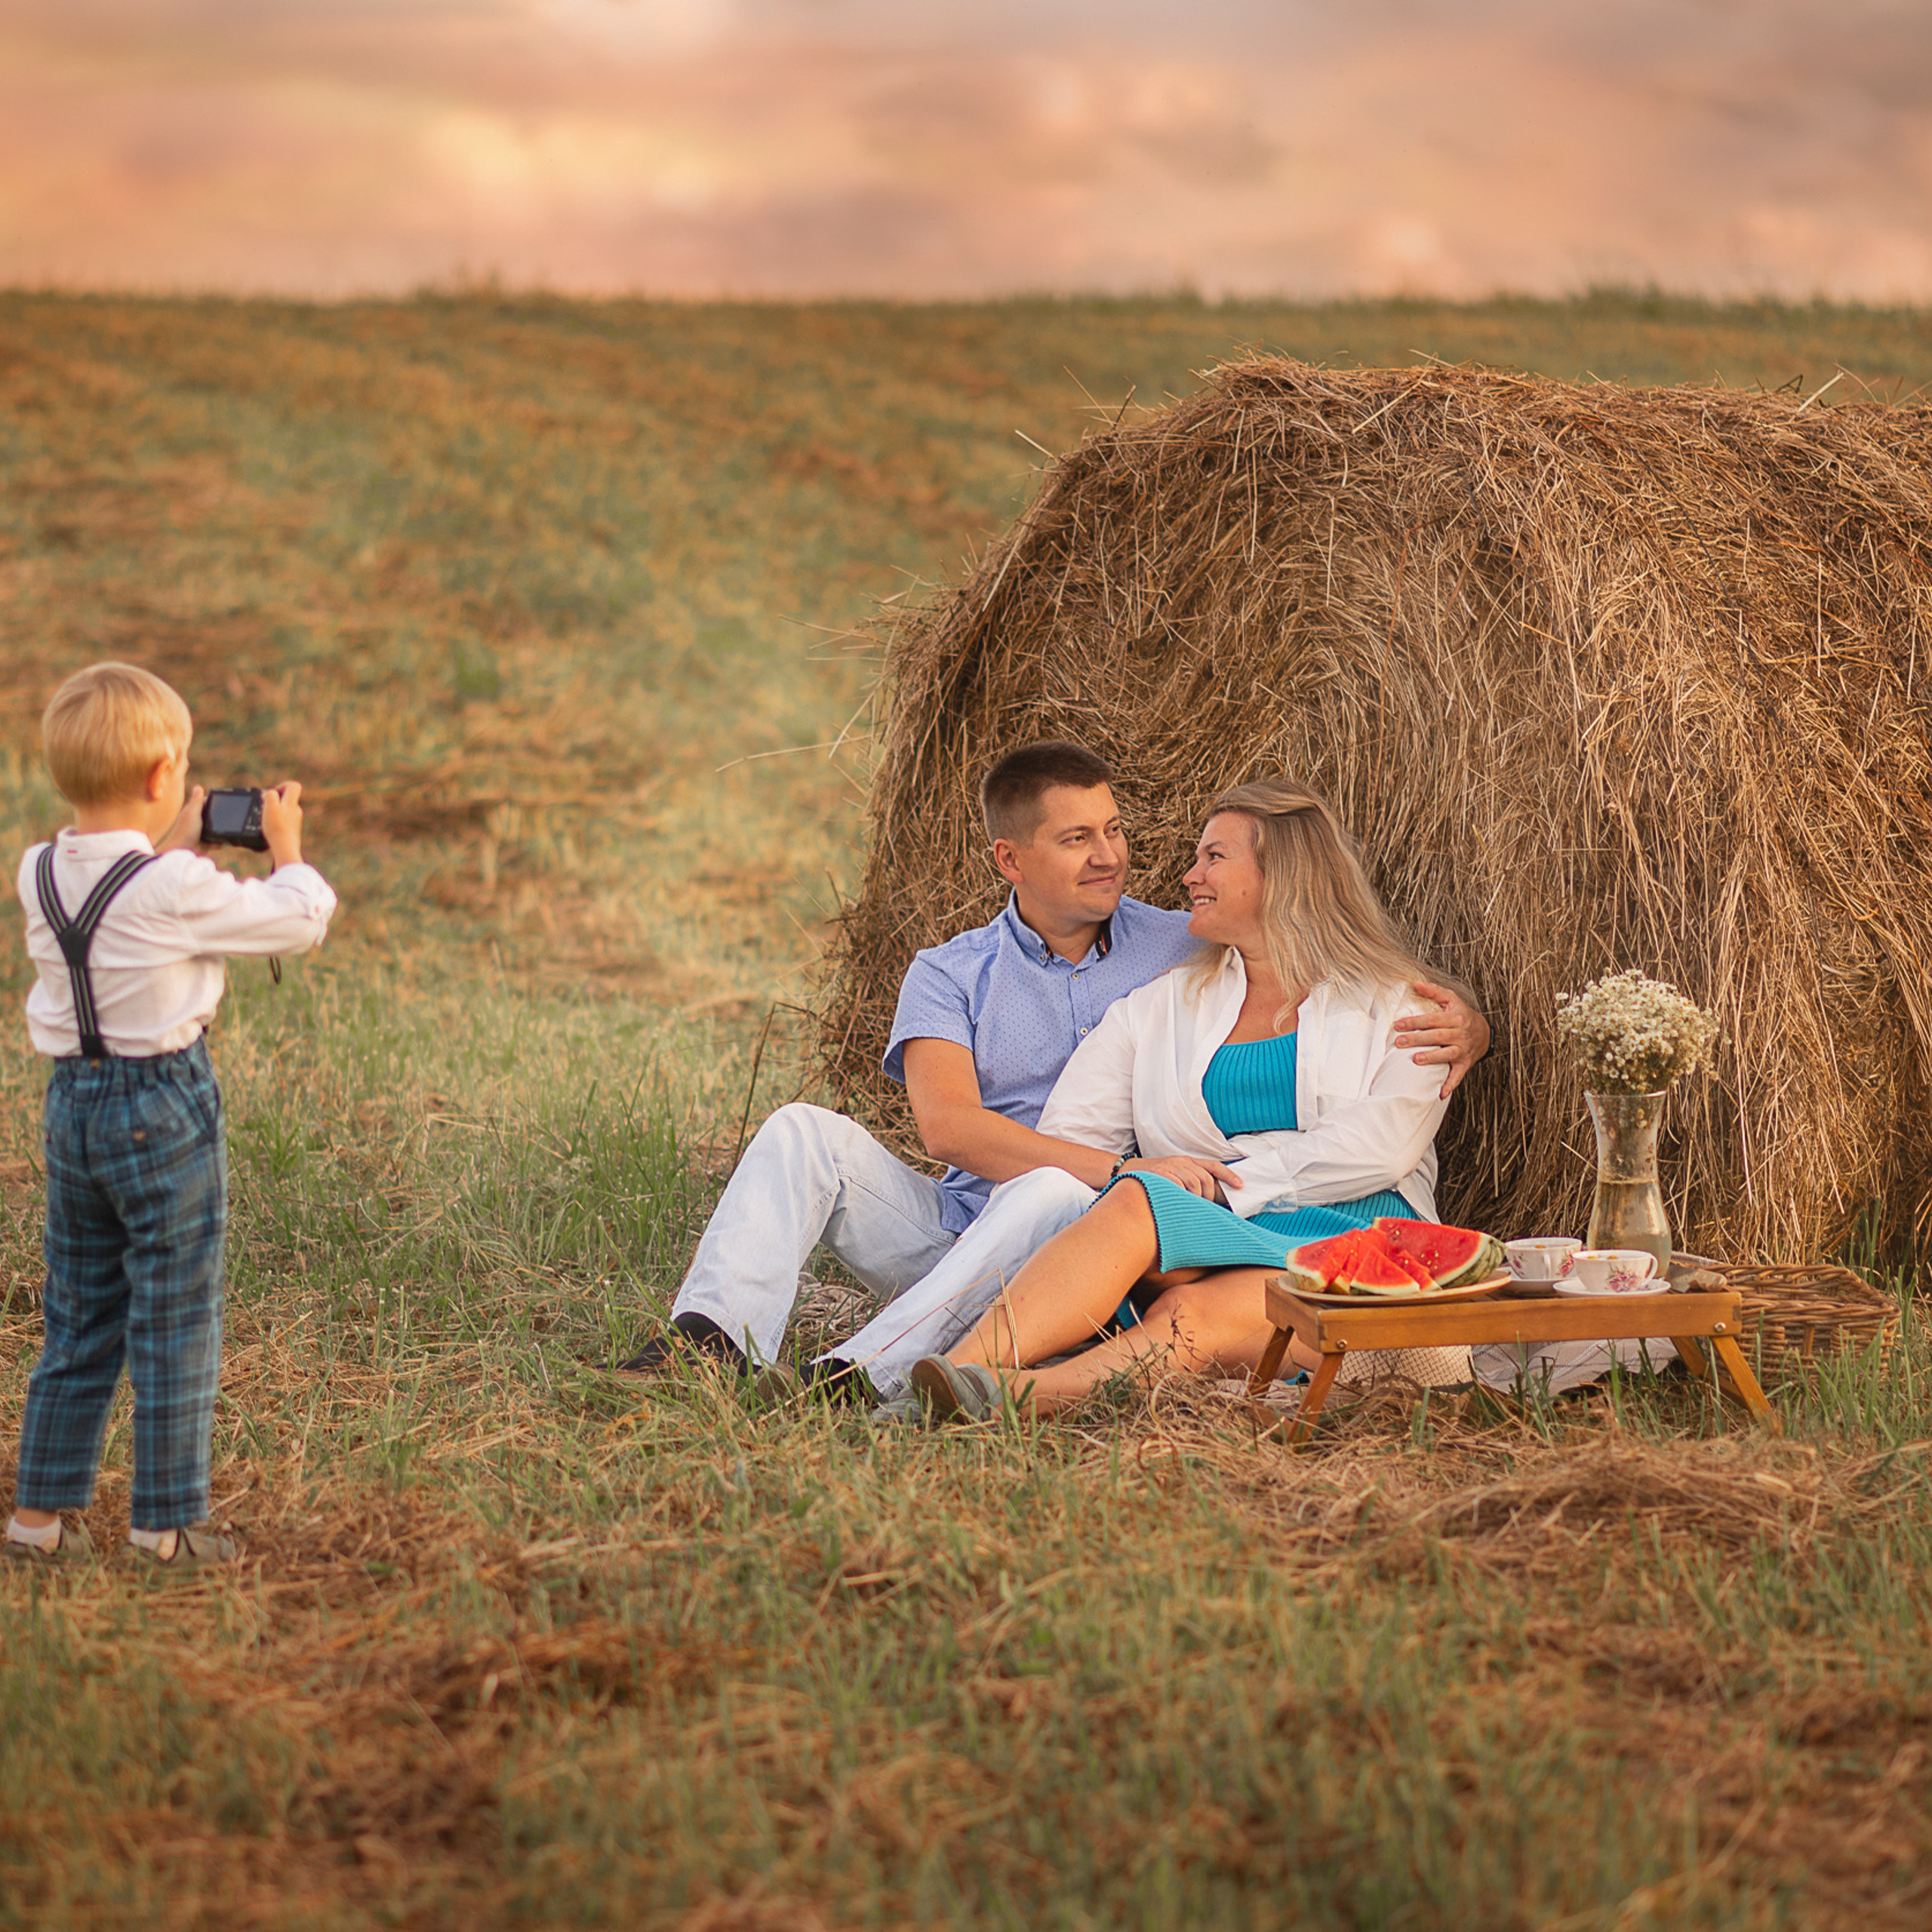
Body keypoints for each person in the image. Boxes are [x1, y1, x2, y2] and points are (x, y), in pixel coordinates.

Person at [621, 742, 1489, 1399]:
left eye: (1113, 831)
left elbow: (1352, 1019)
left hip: (1109, 1222)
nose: (1114, 856)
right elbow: (949, 1130)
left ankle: (875, 1376)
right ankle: (710, 1339)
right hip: (978, 1222)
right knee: (804, 1130)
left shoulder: (1174, 940)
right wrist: (1127, 1174)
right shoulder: (955, 971)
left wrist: (1474, 1029)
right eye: (1077, 839)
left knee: (1057, 1195)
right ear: (1011, 859)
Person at [906, 777, 1472, 1423]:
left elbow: (1384, 1148)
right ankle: (963, 1371)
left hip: (1357, 1233)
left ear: (1282, 874)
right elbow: (1072, 1137)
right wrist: (1154, 1204)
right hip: (1202, 1235)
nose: (1188, 875)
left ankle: (992, 1397)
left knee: (1190, 1311)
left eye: (1213, 857)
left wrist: (1217, 1190)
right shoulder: (1160, 1007)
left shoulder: (1401, 1006)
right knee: (1138, 1207)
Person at [5, 663, 336, 1567]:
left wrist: (174, 845)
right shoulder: (172, 890)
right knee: (174, 1313)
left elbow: (126, 903)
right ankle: (165, 1525)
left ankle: (37, 1521)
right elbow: (298, 920)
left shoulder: (36, 872)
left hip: (72, 1110)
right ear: (163, 777)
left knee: (79, 1316)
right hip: (161, 1106)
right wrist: (288, 847)